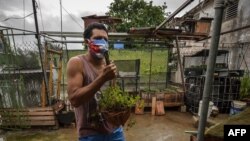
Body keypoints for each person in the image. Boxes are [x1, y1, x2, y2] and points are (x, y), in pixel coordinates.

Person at [67, 22, 125, 141]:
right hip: (90, 134)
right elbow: (74, 99)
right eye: (98, 38)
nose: (102, 42)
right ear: (86, 41)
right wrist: (102, 77)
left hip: (115, 131)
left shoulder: (108, 64)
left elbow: (112, 96)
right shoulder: (77, 63)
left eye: (105, 39)